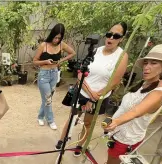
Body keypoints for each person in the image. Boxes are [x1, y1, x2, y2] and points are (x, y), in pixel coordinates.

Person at [86, 44, 162, 164]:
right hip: (118, 131)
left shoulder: (159, 93)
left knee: (114, 163)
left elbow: (136, 111)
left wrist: (116, 122)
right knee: (111, 158)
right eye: (146, 63)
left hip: (127, 137)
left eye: (154, 63)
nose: (147, 67)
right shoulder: (146, 83)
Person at [55, 22, 129, 156]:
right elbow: (80, 73)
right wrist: (89, 92)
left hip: (100, 97)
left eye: (116, 36)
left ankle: (79, 146)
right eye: (109, 34)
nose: (111, 38)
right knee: (73, 116)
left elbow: (114, 82)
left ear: (122, 39)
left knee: (88, 123)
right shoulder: (96, 50)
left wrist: (96, 96)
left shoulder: (121, 57)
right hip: (83, 91)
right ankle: (62, 140)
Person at [33, 23, 76, 130]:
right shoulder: (44, 45)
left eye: (59, 38)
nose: (57, 40)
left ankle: (40, 117)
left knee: (48, 98)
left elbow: (72, 53)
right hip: (44, 75)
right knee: (48, 99)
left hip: (54, 74)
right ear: (52, 35)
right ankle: (51, 120)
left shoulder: (62, 45)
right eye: (55, 37)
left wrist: (61, 60)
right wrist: (45, 61)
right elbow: (34, 61)